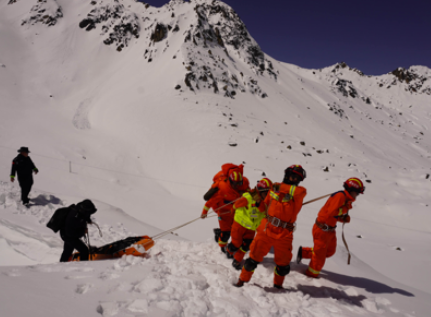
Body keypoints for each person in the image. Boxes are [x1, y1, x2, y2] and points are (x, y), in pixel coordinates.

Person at [235, 165, 307, 289]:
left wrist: (278, 189)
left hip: (285, 233)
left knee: (283, 266)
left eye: (297, 178)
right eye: (292, 175)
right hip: (266, 228)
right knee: (252, 259)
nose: (294, 179)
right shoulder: (275, 188)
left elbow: (296, 191)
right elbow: (265, 206)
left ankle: (278, 286)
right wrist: (258, 202)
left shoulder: (299, 192)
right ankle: (242, 281)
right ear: (286, 174)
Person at [296, 178, 365, 278]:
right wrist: (346, 208)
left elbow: (333, 215)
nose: (357, 196)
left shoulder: (345, 198)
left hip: (330, 231)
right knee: (319, 258)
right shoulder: (340, 196)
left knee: (329, 252)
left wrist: (342, 218)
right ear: (351, 190)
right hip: (322, 230)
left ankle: (303, 252)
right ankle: (311, 276)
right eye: (357, 193)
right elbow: (332, 212)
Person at [227, 178, 273, 270]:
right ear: (260, 192)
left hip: (251, 228)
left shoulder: (267, 203)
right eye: (266, 193)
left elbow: (266, 213)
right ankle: (229, 251)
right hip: (239, 224)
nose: (268, 196)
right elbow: (236, 204)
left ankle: (237, 260)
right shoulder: (249, 197)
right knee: (236, 243)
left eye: (269, 193)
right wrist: (233, 209)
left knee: (247, 245)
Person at [201, 164, 248, 253]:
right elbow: (210, 202)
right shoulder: (223, 189)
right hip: (223, 213)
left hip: (235, 213)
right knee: (226, 233)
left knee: (236, 231)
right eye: (235, 183)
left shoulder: (241, 188)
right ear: (230, 181)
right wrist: (204, 212)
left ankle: (219, 233)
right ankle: (222, 248)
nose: (237, 185)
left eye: (239, 183)